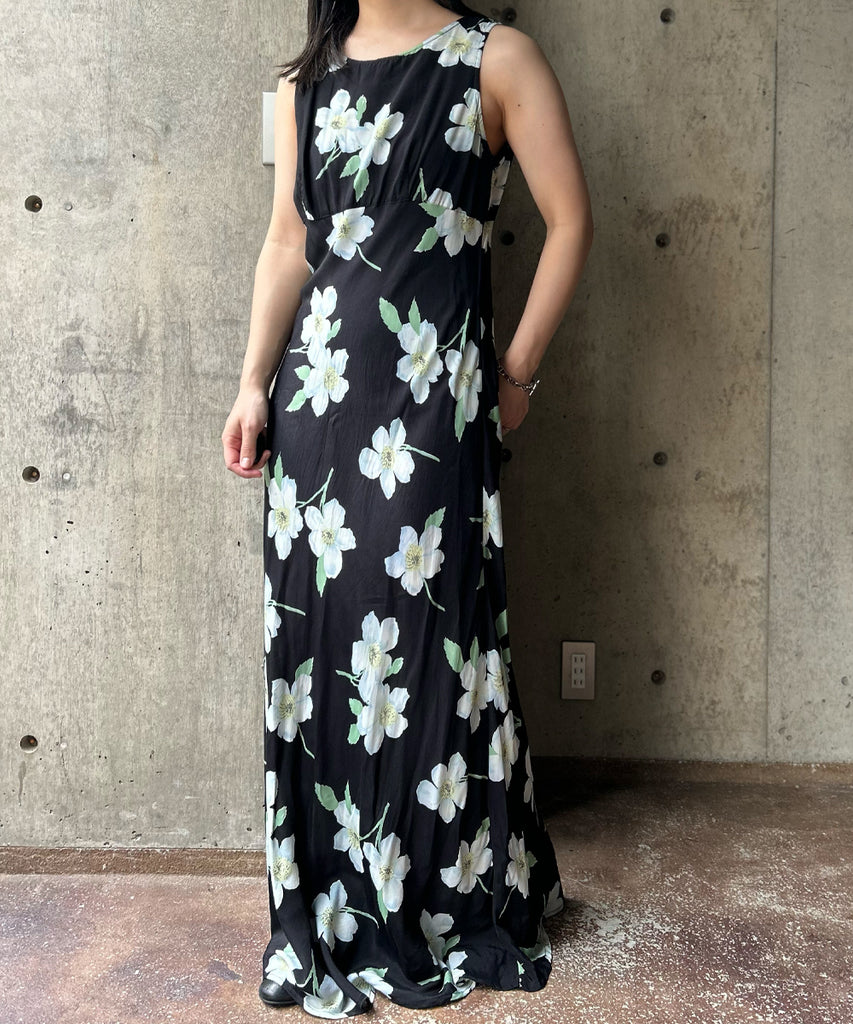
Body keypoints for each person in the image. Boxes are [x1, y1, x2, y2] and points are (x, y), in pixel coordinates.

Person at [221, 1, 593, 1017]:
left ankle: (442, 891)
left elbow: (570, 221)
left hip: (435, 401)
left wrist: (513, 374)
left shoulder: (496, 59)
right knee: (327, 653)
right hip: (317, 404)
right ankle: (338, 898)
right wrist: (251, 383)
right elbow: (289, 242)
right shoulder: (304, 80)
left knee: (434, 645)